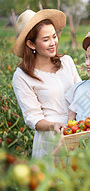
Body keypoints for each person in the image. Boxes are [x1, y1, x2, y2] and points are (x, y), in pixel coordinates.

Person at [12, 9, 81, 158]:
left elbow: (81, 94)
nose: (53, 43)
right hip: (51, 139)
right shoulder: (22, 76)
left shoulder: (66, 62)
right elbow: (33, 117)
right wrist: (53, 125)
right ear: (31, 44)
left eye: (54, 36)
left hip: (76, 130)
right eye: (45, 39)